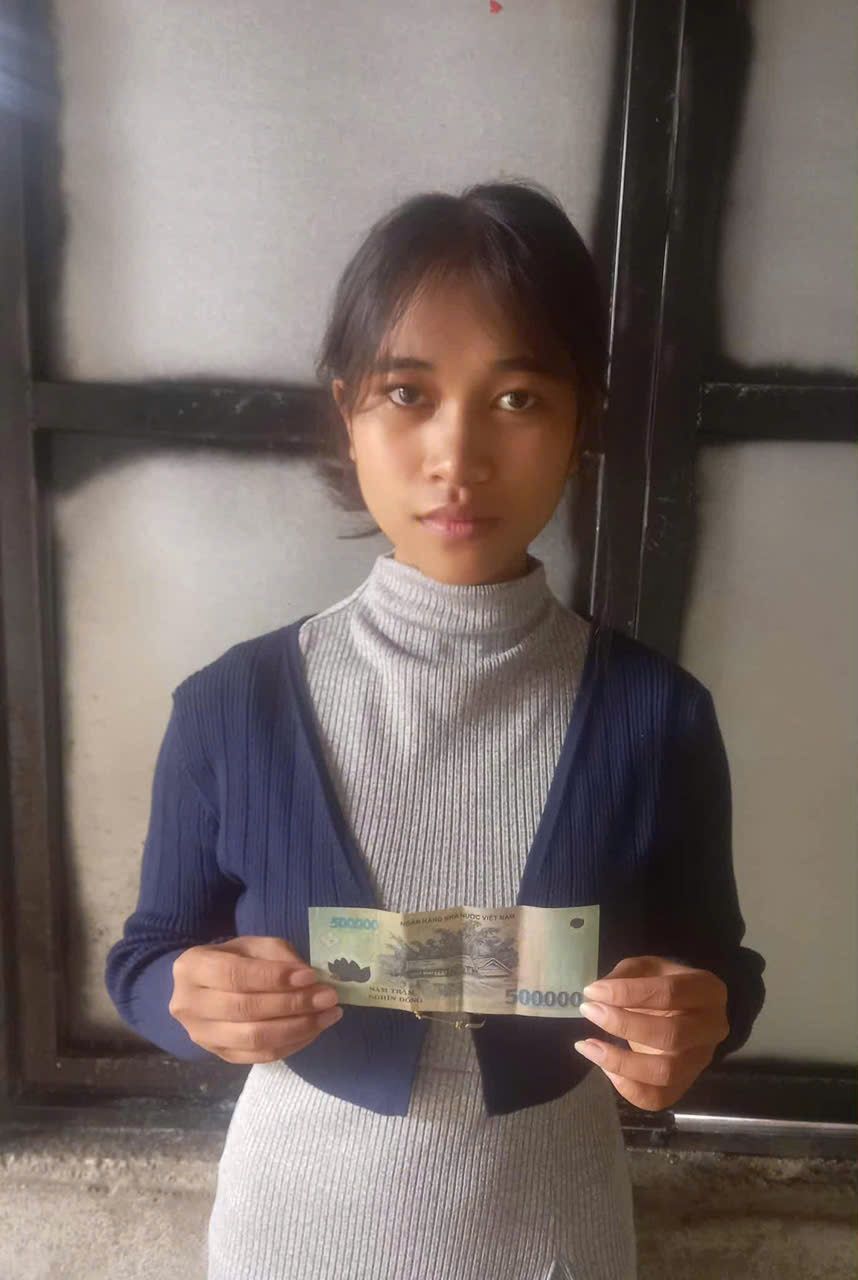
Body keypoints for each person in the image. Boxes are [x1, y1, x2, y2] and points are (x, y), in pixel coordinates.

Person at [105, 179, 766, 1280]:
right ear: (347, 413)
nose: (457, 455)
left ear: (581, 424)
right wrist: (187, 998)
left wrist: (699, 1019)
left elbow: (719, 968)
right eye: (407, 392)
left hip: (553, 1241)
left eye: (517, 398)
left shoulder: (657, 715)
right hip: (290, 1238)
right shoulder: (230, 707)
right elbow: (145, 956)